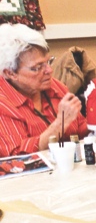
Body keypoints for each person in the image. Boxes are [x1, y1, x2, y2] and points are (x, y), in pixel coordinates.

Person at [0, 23, 87, 157]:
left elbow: (79, 127)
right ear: (10, 73)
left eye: (48, 62)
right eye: (37, 67)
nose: (49, 71)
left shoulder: (54, 87)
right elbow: (17, 157)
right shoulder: (3, 104)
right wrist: (59, 124)